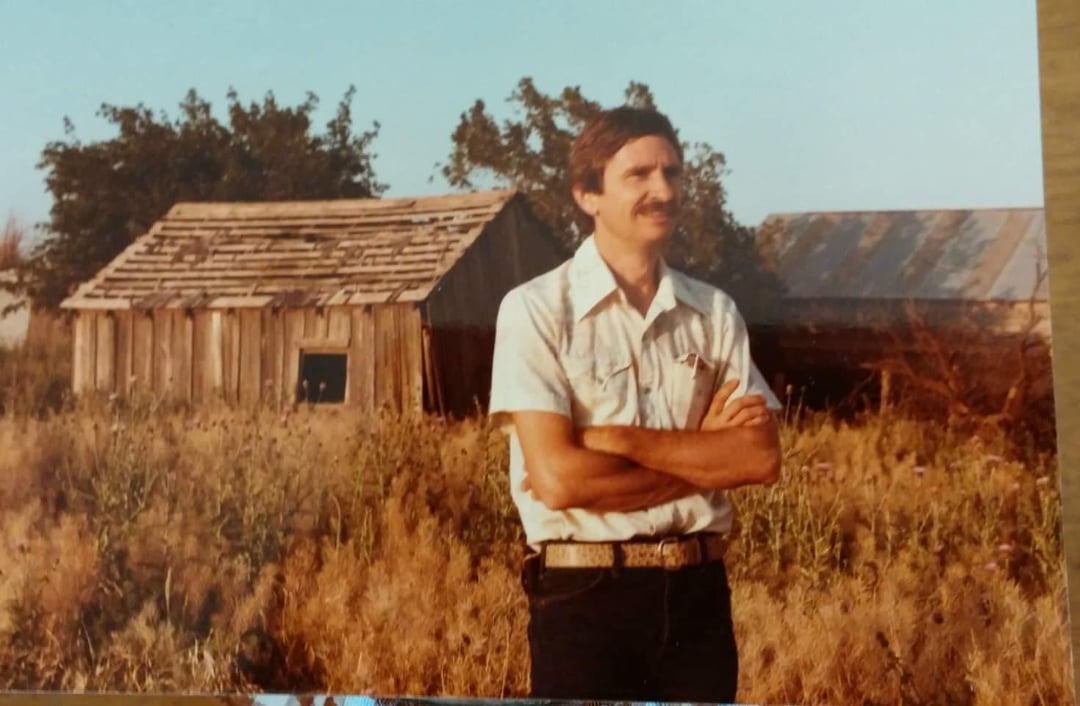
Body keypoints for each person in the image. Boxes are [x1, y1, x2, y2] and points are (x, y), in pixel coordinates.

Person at [488, 105, 783, 703]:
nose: (663, 190)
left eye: (673, 173)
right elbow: (560, 481)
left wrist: (621, 442)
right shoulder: (536, 311)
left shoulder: (713, 312)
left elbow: (758, 460)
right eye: (639, 175)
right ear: (586, 194)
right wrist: (702, 459)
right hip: (584, 595)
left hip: (699, 595)